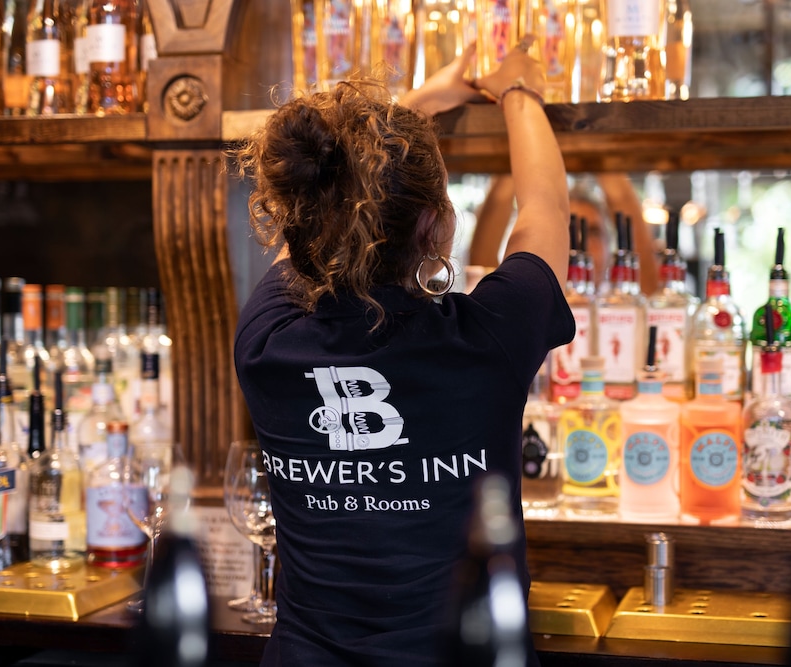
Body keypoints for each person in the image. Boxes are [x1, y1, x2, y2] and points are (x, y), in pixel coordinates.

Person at [232, 38, 573, 667]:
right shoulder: (487, 339)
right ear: (435, 226)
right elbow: (546, 207)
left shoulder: (266, 341)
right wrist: (518, 89)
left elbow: (317, 216)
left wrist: (425, 100)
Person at [468, 172, 658, 295]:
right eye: (569, 232)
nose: (580, 242)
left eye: (592, 232)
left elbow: (648, 278)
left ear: (610, 243)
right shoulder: (528, 300)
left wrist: (605, 159)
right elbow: (481, 269)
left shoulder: (620, 303)